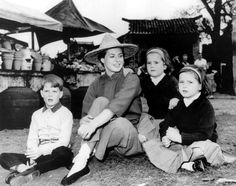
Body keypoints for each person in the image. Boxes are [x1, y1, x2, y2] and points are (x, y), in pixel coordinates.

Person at [61, 34, 143, 185]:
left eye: (120, 56)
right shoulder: (96, 83)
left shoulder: (131, 79)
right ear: (102, 60)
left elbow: (117, 105)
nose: (118, 60)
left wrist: (92, 125)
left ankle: (83, 155)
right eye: (112, 56)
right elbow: (86, 116)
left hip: (127, 134)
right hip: (104, 137)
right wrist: (86, 121)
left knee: (118, 122)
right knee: (100, 101)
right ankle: (83, 157)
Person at [143, 65, 236, 173]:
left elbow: (205, 134)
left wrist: (181, 138)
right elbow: (165, 124)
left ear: (200, 86)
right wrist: (165, 136)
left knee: (200, 149)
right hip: (182, 144)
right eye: (182, 82)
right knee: (152, 145)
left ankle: (183, 161)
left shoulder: (205, 106)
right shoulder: (179, 104)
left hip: (201, 142)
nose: (185, 86)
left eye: (190, 82)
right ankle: (188, 163)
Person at [0, 74, 74, 185]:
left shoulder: (65, 114)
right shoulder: (36, 114)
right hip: (39, 156)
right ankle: (24, 169)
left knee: (64, 153)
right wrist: (32, 155)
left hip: (56, 152)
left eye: (54, 91)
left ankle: (32, 171)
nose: (50, 95)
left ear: (60, 94)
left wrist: (40, 151)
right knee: (4, 156)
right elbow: (32, 137)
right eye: (47, 91)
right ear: (42, 93)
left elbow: (64, 141)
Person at [140, 47, 180, 120]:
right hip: (150, 117)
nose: (152, 66)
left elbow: (178, 93)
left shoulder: (170, 80)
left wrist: (175, 99)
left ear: (164, 66)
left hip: (168, 117)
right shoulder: (144, 81)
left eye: (156, 62)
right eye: (149, 63)